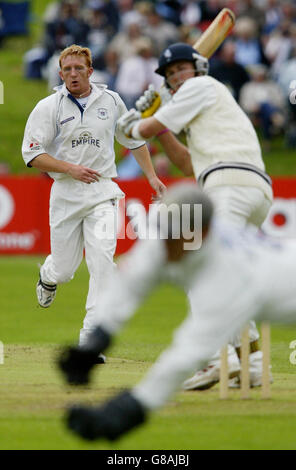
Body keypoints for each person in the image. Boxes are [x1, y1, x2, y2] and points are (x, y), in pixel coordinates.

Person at [60, 182, 296, 442]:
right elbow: (127, 286)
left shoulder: (228, 276)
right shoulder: (167, 236)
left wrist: (123, 412)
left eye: (178, 237)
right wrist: (97, 339)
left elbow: (185, 356)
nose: (169, 246)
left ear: (204, 232)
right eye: (167, 234)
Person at [114, 42, 274, 390]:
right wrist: (155, 126)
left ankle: (220, 358)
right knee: (229, 271)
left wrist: (131, 125)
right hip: (253, 189)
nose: (176, 78)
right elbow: (187, 164)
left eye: (181, 69)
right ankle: (255, 362)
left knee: (196, 263)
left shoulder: (202, 85)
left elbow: (141, 130)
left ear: (198, 67)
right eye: (170, 75)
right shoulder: (207, 101)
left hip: (228, 185)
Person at [21, 44, 165, 352]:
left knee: (102, 262)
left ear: (90, 71)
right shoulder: (49, 106)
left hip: (103, 192)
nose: (73, 74)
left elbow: (133, 139)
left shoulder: (111, 101)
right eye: (67, 70)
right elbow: (32, 154)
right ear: (60, 74)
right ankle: (48, 275)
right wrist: (69, 169)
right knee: (64, 270)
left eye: (78, 69)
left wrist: (151, 176)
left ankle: (90, 338)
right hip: (65, 194)